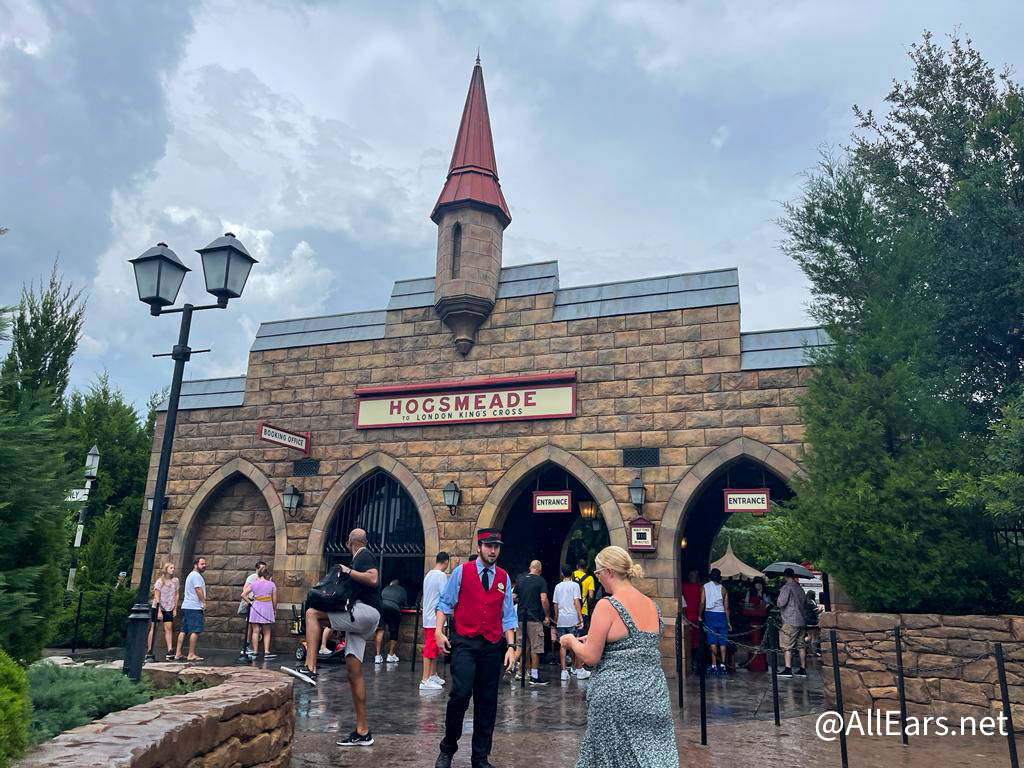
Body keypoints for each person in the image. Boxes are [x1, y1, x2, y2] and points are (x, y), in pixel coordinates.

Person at [560, 546, 678, 768]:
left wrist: (571, 641)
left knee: (610, 759)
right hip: (653, 694)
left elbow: (591, 657)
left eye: (597, 573)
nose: (598, 579)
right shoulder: (652, 606)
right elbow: (639, 646)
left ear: (609, 571)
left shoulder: (607, 605)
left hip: (616, 696)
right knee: (652, 755)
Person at [283, 528, 381, 747]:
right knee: (353, 672)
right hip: (364, 618)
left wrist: (348, 571)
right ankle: (363, 731)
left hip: (366, 612)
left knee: (312, 614)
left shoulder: (364, 554)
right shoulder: (361, 557)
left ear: (350, 543)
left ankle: (311, 666)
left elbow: (373, 579)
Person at [433, 529, 517, 768]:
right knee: (460, 694)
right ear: (479, 547)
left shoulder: (503, 577)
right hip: (465, 642)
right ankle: (447, 749)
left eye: (496, 546)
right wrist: (439, 631)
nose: (493, 551)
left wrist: (511, 646)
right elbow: (445, 603)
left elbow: (508, 615)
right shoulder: (461, 572)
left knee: (487, 701)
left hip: (492, 645)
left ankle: (480, 757)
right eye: (489, 546)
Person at [515, 559, 551, 685]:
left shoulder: (520, 580)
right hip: (535, 618)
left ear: (530, 568)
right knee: (536, 648)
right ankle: (534, 675)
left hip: (521, 618)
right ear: (539, 569)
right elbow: (544, 599)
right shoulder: (540, 581)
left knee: (522, 646)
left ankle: (518, 671)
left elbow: (513, 597)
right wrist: (547, 616)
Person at [421, 551, 451, 690]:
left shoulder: (429, 575)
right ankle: (425, 679)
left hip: (429, 616)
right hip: (434, 617)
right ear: (446, 562)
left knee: (434, 647)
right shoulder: (441, 576)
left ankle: (432, 675)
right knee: (430, 648)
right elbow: (446, 595)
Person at [552, 563, 585, 681]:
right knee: (575, 643)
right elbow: (576, 602)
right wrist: (580, 617)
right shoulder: (575, 586)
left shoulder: (557, 587)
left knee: (563, 645)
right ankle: (578, 668)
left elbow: (555, 605)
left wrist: (556, 619)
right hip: (572, 618)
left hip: (561, 619)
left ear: (562, 573)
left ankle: (564, 671)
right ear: (571, 573)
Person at [776, 567, 807, 677]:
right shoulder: (799, 588)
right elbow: (805, 602)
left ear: (785, 576)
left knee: (786, 644)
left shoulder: (786, 587)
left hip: (790, 620)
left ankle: (788, 669)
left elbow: (780, 603)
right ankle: (803, 669)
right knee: (801, 645)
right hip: (801, 620)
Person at [241, 563, 277, 658]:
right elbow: (274, 600)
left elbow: (243, 594)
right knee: (267, 631)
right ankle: (266, 651)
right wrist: (274, 610)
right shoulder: (271, 584)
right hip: (267, 607)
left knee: (255, 631)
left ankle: (255, 651)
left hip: (256, 606)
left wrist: (251, 602)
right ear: (266, 574)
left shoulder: (253, 584)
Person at [175, 557, 207, 662]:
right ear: (195, 565)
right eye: (202, 564)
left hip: (187, 606)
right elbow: (198, 589)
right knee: (195, 630)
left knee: (183, 630)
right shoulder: (196, 576)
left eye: (205, 564)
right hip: (194, 607)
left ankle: (178, 653)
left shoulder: (191, 575)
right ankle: (191, 654)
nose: (204, 565)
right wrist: (203, 602)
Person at [699, 568, 730, 675]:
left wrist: (699, 615)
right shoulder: (724, 589)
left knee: (712, 641)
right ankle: (723, 665)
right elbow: (726, 607)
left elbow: (702, 602)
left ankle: (713, 665)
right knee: (722, 641)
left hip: (709, 614)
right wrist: (728, 622)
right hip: (721, 615)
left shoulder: (705, 587)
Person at [146, 562, 178, 661]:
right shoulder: (160, 581)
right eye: (171, 567)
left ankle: (170, 650)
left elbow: (176, 594)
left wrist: (175, 608)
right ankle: (150, 650)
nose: (173, 569)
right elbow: (156, 595)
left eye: (173, 567)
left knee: (168, 628)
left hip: (169, 607)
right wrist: (159, 610)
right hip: (158, 606)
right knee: (154, 627)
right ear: (166, 569)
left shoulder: (175, 581)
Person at [375, 579, 407, 663]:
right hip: (394, 608)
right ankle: (391, 655)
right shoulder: (402, 590)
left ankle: (377, 656)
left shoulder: (385, 588)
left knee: (380, 630)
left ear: (390, 584)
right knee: (394, 631)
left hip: (381, 606)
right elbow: (405, 604)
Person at [238, 560, 266, 655]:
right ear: (257, 568)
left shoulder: (265, 578)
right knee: (250, 626)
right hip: (252, 604)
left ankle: (252, 647)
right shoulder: (252, 577)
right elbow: (245, 589)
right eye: (261, 568)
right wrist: (250, 599)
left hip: (260, 604)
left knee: (255, 626)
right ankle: (247, 646)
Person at [680, 569, 702, 673]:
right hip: (694, 619)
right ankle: (695, 664)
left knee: (693, 643)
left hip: (691, 619)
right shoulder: (700, 588)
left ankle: (694, 664)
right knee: (694, 643)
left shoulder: (684, 586)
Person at [572, 559, 596, 632]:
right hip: (583, 609)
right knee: (581, 633)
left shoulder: (571, 574)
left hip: (570, 608)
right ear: (586, 567)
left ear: (577, 566)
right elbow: (591, 596)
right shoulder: (589, 578)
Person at [805, 589, 822, 657]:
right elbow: (816, 611)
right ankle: (814, 651)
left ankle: (803, 644)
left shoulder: (805, 601)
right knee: (815, 637)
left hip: (806, 621)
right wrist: (821, 608)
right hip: (813, 621)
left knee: (809, 636)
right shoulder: (811, 601)